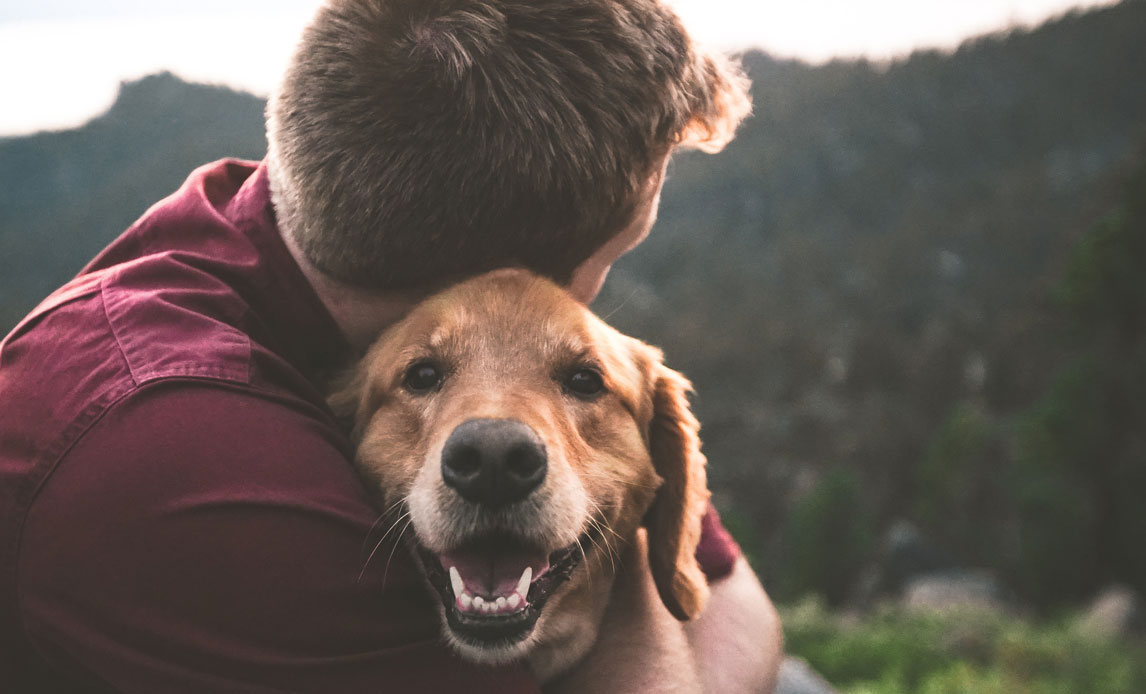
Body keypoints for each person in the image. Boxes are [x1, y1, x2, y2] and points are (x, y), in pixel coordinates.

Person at [0, 0, 782, 691]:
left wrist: (618, 532)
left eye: (575, 372)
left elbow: (733, 600)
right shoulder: (186, 457)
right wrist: (618, 562)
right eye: (612, 258)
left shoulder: (291, 219)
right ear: (502, 273)